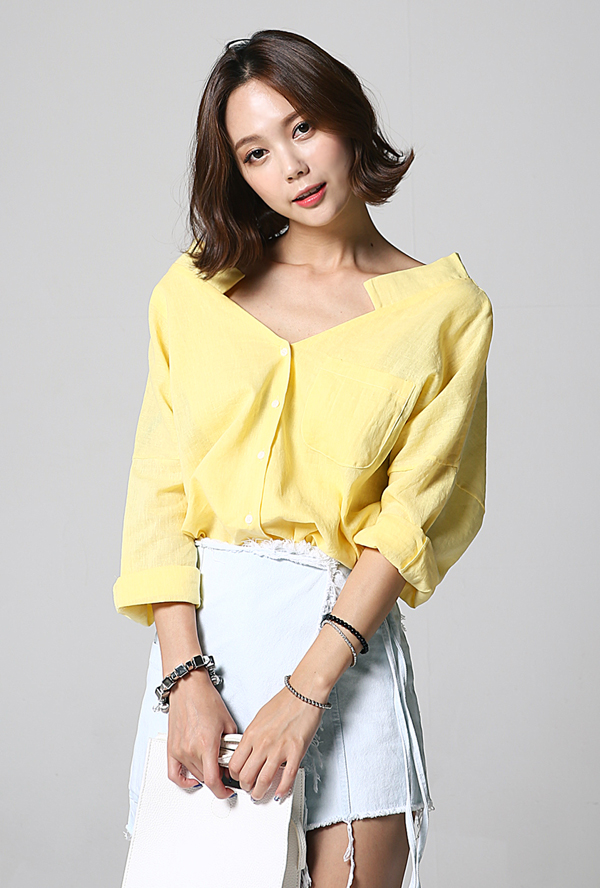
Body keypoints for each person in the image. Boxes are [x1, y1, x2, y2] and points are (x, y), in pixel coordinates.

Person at [113, 28, 493, 888]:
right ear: (238, 172)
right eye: (255, 152)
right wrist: (183, 677)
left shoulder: (447, 312)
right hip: (204, 657)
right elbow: (159, 493)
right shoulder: (192, 294)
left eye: (302, 127)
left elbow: (413, 516)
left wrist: (308, 690)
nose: (290, 166)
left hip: (345, 653)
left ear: (346, 117)